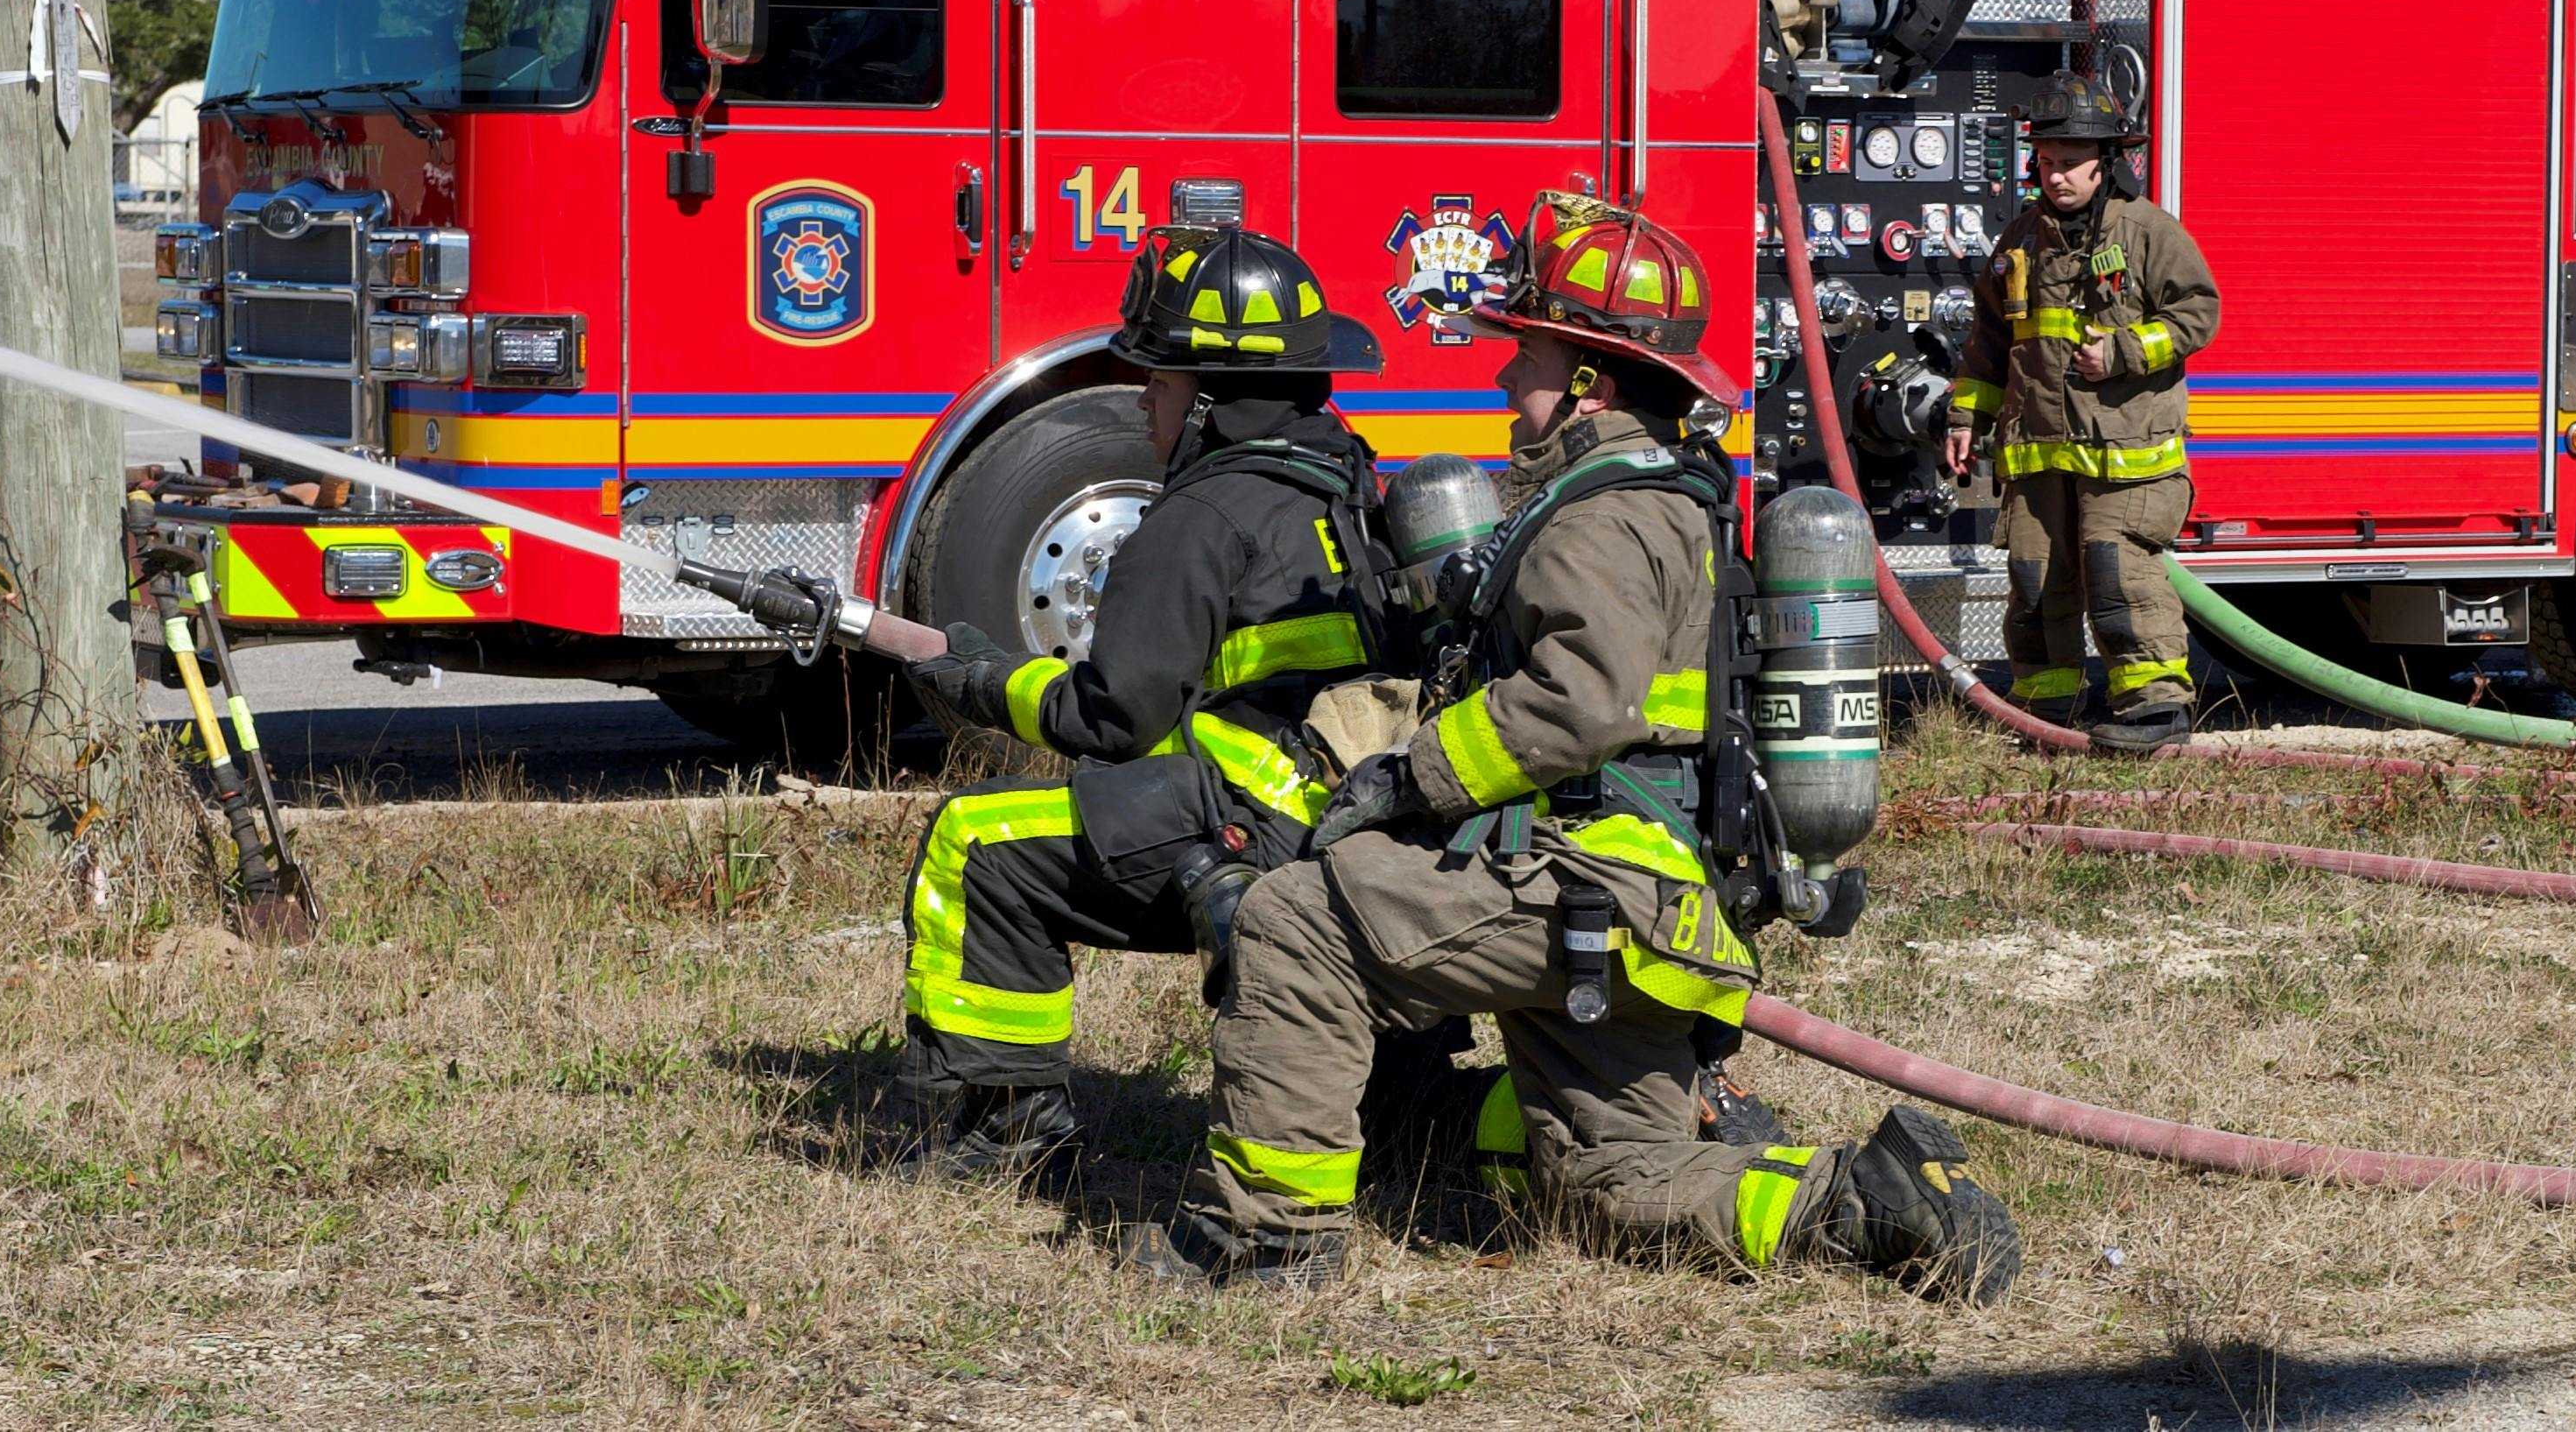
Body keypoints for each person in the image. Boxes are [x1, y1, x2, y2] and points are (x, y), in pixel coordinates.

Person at [1116, 194, 2023, 1301]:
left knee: (1294, 920)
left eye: (1527, 358)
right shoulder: (1650, 494)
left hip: (1583, 877)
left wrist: (1408, 778)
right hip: (1640, 904)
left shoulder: (1598, 517)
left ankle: (1264, 1245)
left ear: (1586, 384)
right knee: (1610, 1179)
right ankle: (1870, 1201)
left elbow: (1577, 708)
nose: (1506, 383)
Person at [890, 224, 1390, 1182]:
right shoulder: (1354, 482)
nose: (1140, 400)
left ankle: (1007, 1132)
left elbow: (1112, 719)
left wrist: (979, 677)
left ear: (1206, 402)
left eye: (1156, 382)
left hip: (1253, 823)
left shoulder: (1201, 517)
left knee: (977, 841)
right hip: (1357, 821)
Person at [1946, 73, 2225, 753]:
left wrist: (2124, 350)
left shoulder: (2147, 231)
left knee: (2118, 574)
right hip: (2040, 454)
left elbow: (2199, 311)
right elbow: (1988, 344)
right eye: (2045, 161)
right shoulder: (2020, 242)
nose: (2057, 174)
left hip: (2125, 455)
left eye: (2070, 162)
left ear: (2106, 160)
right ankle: (2048, 715)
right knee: (2035, 583)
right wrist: (1963, 420)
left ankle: (2156, 712)